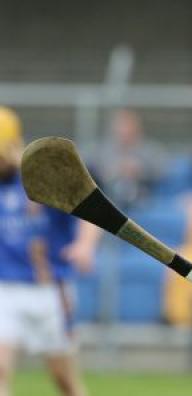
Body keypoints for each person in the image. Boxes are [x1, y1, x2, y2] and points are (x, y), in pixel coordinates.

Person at [0, 107, 101, 396]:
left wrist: (84, 245)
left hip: (51, 289)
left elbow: (87, 214)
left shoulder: (42, 176)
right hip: (4, 288)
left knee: (65, 381)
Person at [90, 108, 167, 210]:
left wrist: (140, 171)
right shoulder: (102, 151)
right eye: (121, 128)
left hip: (143, 198)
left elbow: (163, 172)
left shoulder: (150, 151)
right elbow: (92, 171)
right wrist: (111, 171)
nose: (124, 132)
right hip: (109, 196)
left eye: (128, 127)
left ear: (137, 129)